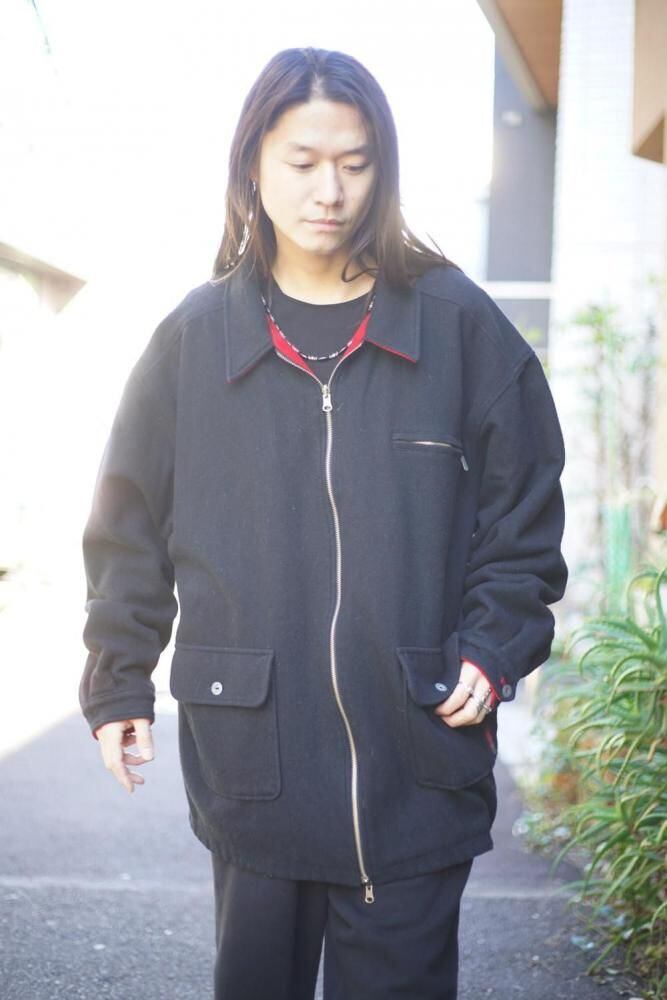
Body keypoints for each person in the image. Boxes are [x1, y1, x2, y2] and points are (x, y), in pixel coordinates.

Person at [79, 46, 568, 1000]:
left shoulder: (457, 325)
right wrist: (117, 677)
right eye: (301, 162)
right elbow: (126, 522)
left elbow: (525, 511)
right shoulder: (195, 339)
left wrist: (494, 642)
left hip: (418, 753)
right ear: (253, 166)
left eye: (354, 161)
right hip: (253, 758)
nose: (329, 190)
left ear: (383, 168)